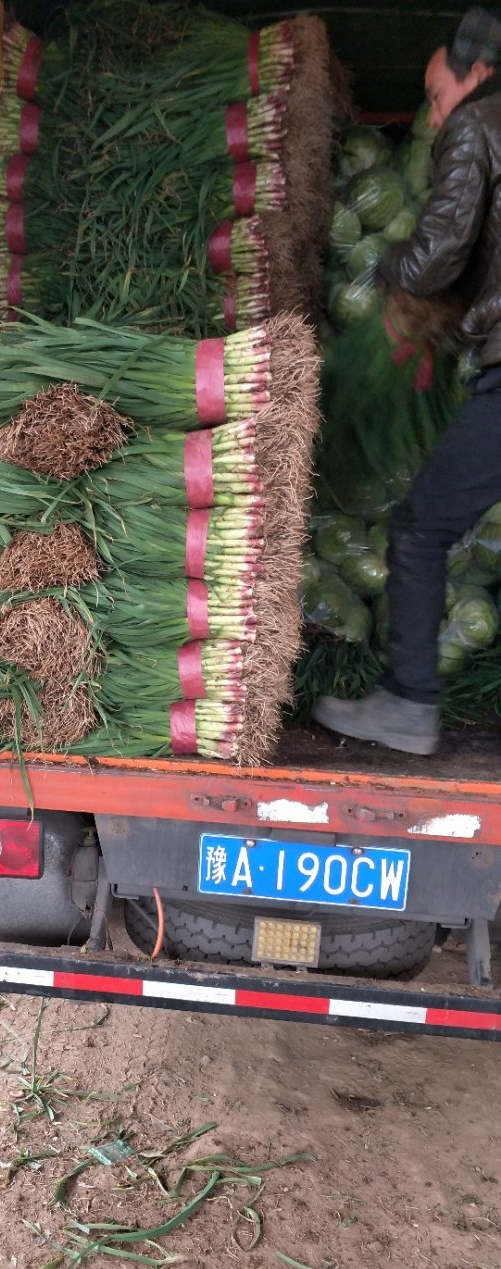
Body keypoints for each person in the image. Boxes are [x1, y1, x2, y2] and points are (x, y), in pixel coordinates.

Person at [313, 5, 501, 755]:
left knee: (421, 530)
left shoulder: (480, 124)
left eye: (436, 92)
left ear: (476, 73)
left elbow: (440, 253)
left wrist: (392, 274)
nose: (434, 110)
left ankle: (407, 704)